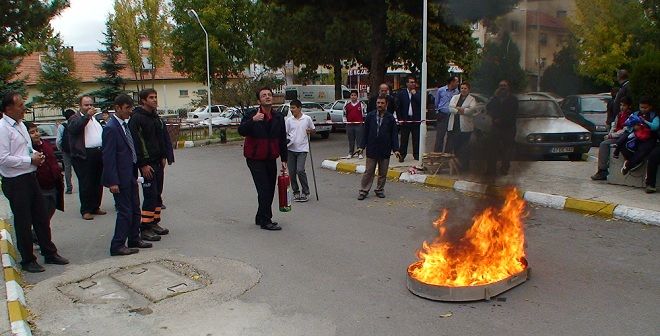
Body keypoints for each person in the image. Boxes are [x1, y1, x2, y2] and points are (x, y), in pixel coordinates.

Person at [0, 91, 69, 273]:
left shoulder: (21, 125)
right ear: (8, 108)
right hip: (15, 181)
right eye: (20, 105)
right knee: (23, 220)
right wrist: (29, 160)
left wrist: (35, 155)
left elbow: (27, 147)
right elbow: (3, 158)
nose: (24, 108)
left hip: (31, 177)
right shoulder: (3, 128)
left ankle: (49, 252)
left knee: (41, 216)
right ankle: (28, 259)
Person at [102, 94, 153, 256]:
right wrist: (112, 182)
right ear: (117, 108)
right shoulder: (111, 128)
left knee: (135, 208)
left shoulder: (125, 125)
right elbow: (108, 157)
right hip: (119, 178)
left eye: (131, 108)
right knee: (125, 212)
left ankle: (133, 238)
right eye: (127, 108)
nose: (130, 112)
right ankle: (117, 245)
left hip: (130, 175)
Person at [238, 87, 288, 231]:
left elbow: (282, 139)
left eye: (269, 95)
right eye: (264, 95)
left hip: (270, 157)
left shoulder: (278, 117)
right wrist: (253, 120)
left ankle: (260, 216)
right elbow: (241, 131)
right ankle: (266, 220)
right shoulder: (251, 114)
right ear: (259, 100)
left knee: (270, 189)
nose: (267, 97)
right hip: (255, 158)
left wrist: (284, 159)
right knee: (264, 189)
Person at [128, 88, 174, 241]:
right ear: (143, 100)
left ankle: (154, 222)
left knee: (157, 194)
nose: (155, 100)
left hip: (158, 161)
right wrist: (143, 164)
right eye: (151, 97)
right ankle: (145, 227)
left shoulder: (155, 117)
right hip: (147, 164)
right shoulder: (137, 118)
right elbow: (137, 143)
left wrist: (165, 156)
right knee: (150, 195)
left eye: (155, 97)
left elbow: (162, 138)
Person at [67, 95, 106, 220]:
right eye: (86, 105)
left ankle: (95, 206)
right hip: (84, 155)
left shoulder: (95, 119)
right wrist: (87, 117)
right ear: (80, 106)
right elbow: (74, 129)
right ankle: (86, 209)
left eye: (91, 105)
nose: (89, 107)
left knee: (97, 182)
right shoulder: (75, 118)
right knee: (86, 183)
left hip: (98, 153)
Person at [356, 94, 400, 200]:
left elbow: (394, 135)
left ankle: (380, 189)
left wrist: (396, 149)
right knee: (369, 171)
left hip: (385, 149)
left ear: (386, 104)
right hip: (372, 148)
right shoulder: (370, 116)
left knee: (383, 172)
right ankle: (363, 191)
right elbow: (365, 133)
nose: (379, 105)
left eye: (382, 103)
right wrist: (361, 146)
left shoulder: (390, 118)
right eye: (378, 103)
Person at [26, 122, 64, 222]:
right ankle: (38, 236)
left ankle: (41, 235)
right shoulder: (28, 150)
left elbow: (53, 161)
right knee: (41, 217)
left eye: (37, 131)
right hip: (40, 187)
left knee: (50, 211)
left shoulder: (46, 144)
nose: (36, 134)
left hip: (53, 185)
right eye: (32, 132)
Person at [613, 97, 659, 175]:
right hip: (637, 136)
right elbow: (627, 123)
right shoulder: (636, 114)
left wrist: (645, 122)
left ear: (650, 107)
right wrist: (633, 127)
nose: (643, 109)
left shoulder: (654, 115)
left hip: (649, 138)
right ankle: (633, 162)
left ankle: (629, 165)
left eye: (645, 107)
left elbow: (655, 127)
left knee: (643, 151)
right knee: (624, 145)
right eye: (641, 107)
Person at [591, 97, 633, 180]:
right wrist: (610, 134)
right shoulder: (619, 115)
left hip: (623, 138)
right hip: (616, 135)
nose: (622, 107)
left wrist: (611, 136)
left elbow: (625, 130)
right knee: (605, 142)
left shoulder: (630, 116)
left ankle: (602, 170)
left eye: (624, 105)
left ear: (629, 106)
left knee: (603, 145)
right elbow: (614, 126)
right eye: (621, 105)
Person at [485, 80, 518, 176]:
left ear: (508, 87)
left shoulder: (513, 99)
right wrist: (494, 97)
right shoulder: (495, 98)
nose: (502, 87)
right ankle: (491, 169)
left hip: (508, 128)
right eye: (500, 86)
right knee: (492, 149)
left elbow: (512, 113)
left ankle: (504, 168)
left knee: (507, 150)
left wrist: (502, 120)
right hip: (496, 127)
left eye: (504, 85)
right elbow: (488, 108)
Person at [285, 99, 315, 202]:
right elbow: (286, 133)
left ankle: (305, 192)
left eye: (293, 108)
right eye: (291, 108)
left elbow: (313, 130)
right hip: (290, 149)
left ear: (299, 108)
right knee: (292, 172)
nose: (292, 110)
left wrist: (310, 131)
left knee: (300, 170)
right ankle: (296, 192)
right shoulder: (289, 120)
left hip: (302, 148)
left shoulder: (307, 119)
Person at [446, 82, 478, 171]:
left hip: (465, 128)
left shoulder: (472, 99)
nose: (463, 90)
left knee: (465, 148)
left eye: (465, 88)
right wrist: (460, 110)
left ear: (469, 90)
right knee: (455, 147)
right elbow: (451, 108)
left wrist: (460, 109)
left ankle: (465, 167)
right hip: (455, 126)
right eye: (462, 88)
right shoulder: (455, 97)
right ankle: (458, 167)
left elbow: (471, 110)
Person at [396, 75, 421, 162]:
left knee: (416, 138)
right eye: (411, 82)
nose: (413, 84)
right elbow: (398, 107)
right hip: (405, 119)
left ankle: (417, 154)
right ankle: (402, 155)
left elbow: (421, 103)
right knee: (404, 139)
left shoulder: (418, 93)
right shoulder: (401, 94)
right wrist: (400, 119)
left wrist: (414, 94)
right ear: (407, 84)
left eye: (414, 82)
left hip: (415, 119)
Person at [434, 76, 460, 152]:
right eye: (456, 82)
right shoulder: (441, 90)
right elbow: (436, 102)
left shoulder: (457, 92)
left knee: (451, 136)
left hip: (452, 116)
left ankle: (447, 154)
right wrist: (437, 111)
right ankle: (437, 155)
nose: (458, 83)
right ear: (452, 82)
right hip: (442, 115)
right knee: (440, 136)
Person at [342, 90, 366, 159]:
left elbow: (364, 114)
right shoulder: (347, 105)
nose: (353, 97)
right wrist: (345, 122)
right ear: (350, 96)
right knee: (351, 140)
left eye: (355, 95)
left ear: (357, 96)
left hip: (359, 125)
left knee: (359, 140)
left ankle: (360, 153)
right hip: (349, 125)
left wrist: (363, 122)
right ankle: (350, 153)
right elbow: (344, 114)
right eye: (352, 95)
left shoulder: (361, 104)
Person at [56, 108, 75, 194]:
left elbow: (58, 140)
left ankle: (69, 187)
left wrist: (61, 149)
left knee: (67, 169)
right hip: (76, 150)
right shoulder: (76, 124)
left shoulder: (61, 126)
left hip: (66, 151)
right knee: (79, 168)